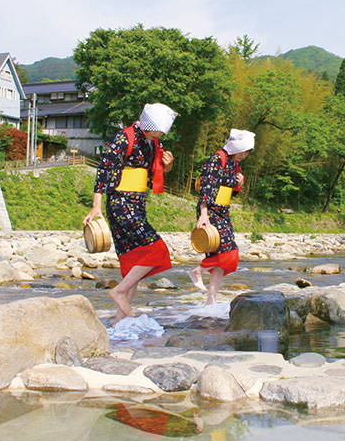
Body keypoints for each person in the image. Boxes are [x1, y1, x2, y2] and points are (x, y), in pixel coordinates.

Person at [83, 103, 177, 323]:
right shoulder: (123, 138)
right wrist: (96, 205)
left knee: (133, 261)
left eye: (161, 132)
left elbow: (156, 172)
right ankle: (119, 291)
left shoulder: (154, 142)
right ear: (146, 123)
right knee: (157, 250)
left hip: (138, 203)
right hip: (120, 202)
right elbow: (104, 170)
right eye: (156, 130)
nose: (159, 135)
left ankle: (119, 322)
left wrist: (169, 165)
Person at [188, 129, 254, 305]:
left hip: (224, 210)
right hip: (210, 210)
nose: (244, 155)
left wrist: (239, 184)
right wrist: (203, 214)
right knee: (229, 252)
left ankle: (211, 301)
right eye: (243, 151)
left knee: (222, 260)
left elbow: (231, 192)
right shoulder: (217, 159)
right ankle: (198, 271)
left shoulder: (234, 164)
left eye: (247, 152)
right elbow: (206, 188)